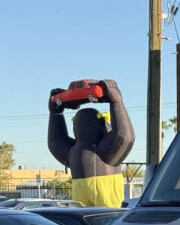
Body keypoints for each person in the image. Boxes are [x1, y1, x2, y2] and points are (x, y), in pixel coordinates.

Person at [47, 79, 134, 207]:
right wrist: (116, 102)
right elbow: (124, 136)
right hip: (96, 213)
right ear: (102, 125)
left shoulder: (77, 151)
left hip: (98, 213)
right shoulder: (102, 150)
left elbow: (55, 141)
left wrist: (56, 113)